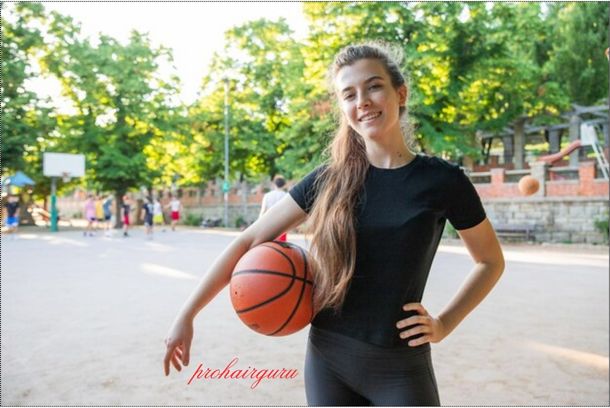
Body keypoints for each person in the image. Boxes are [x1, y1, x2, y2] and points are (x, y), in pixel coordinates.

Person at [163, 43, 504, 406]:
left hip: (400, 364)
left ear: (399, 93)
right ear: (343, 108)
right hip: (329, 359)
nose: (364, 101)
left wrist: (444, 323)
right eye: (349, 94)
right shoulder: (329, 180)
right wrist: (187, 314)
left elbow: (490, 261)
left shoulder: (442, 180)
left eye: (374, 86)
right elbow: (248, 241)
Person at [258, 175, 289, 241]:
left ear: (274, 184)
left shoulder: (267, 195)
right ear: (284, 185)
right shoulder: (286, 196)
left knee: (269, 245)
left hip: (268, 223)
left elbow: (263, 210)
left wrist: (259, 223)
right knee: (281, 247)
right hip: (282, 224)